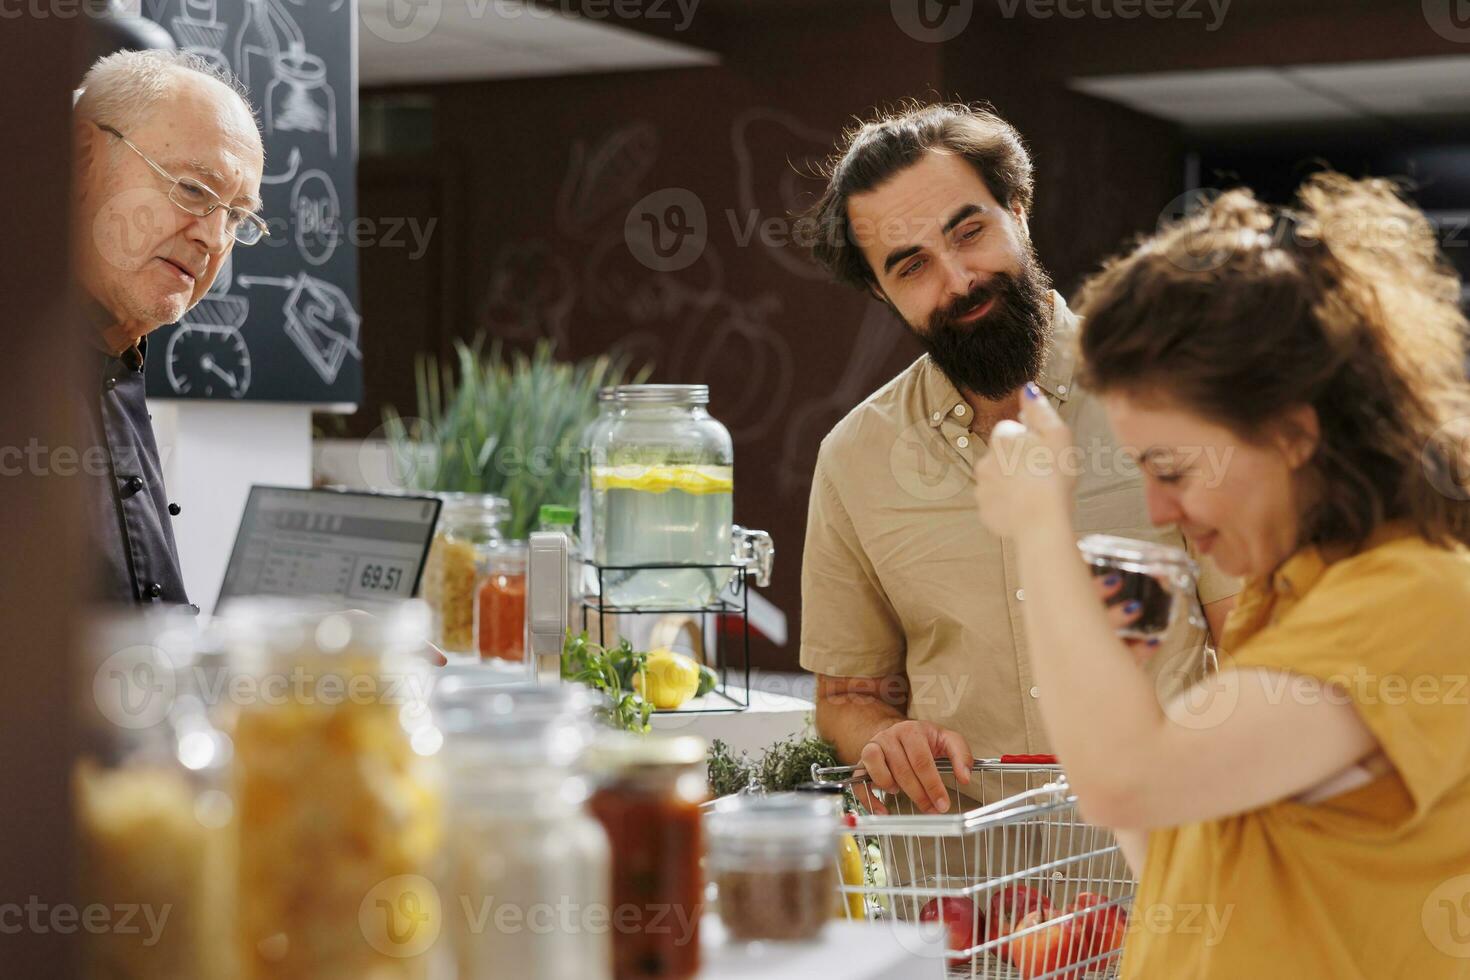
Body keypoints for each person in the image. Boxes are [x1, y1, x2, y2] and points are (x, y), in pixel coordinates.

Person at [973, 173, 1470, 975]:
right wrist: (1115, 679)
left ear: (1291, 434)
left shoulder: (1416, 598)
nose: (1160, 510)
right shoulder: (1289, 596)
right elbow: (1178, 864)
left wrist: (1038, 524)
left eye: (1172, 468)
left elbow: (1125, 786)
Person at [798, 102, 1238, 813]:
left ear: (1019, 211)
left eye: (969, 232)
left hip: (1171, 877)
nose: (960, 279)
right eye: (913, 267)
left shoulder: (1175, 400)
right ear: (882, 291)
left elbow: (1253, 635)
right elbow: (850, 696)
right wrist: (883, 734)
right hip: (966, 900)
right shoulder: (855, 460)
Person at [71, 49, 267, 605]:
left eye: (236, 215)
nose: (213, 238)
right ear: (82, 158)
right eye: (194, 190)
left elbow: (139, 663)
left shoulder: (117, 363)